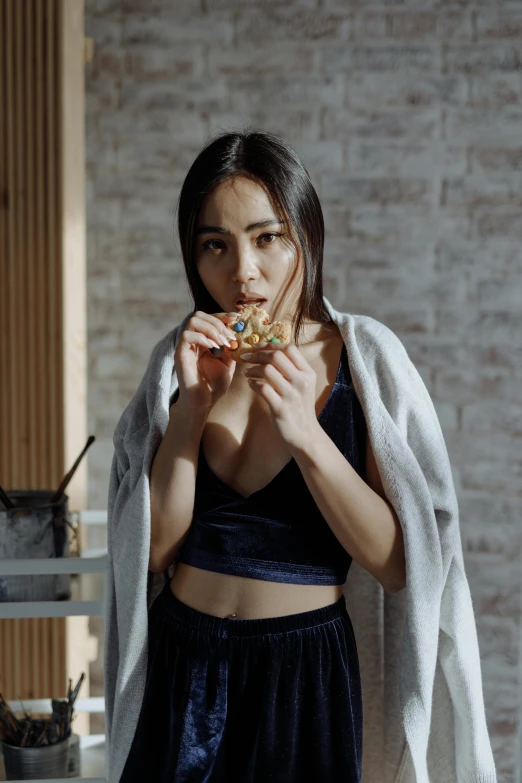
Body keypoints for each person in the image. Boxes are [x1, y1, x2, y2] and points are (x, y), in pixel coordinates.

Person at [107, 129, 497, 783]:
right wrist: (190, 414)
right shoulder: (183, 360)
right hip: (183, 660)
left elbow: (402, 564)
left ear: (306, 237)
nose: (243, 272)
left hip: (303, 673)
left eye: (267, 237)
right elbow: (151, 552)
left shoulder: (362, 359)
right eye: (215, 245)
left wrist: (306, 433)